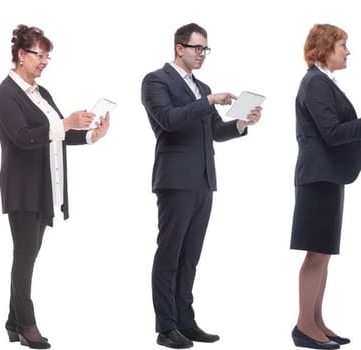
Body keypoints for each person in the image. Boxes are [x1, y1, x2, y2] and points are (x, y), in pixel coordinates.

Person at [140, 22, 262, 349]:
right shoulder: (156, 80)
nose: (202, 54)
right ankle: (166, 327)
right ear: (179, 48)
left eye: (206, 49)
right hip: (175, 180)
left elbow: (216, 133)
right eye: (197, 48)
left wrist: (241, 123)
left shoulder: (201, 86)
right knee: (170, 253)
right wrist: (208, 100)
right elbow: (169, 119)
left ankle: (185, 321)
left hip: (204, 180)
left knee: (190, 256)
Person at [0, 24, 111, 350]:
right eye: (39, 54)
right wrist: (65, 123)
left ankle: (12, 322)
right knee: (25, 255)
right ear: (21, 55)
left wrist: (89, 134)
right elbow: (22, 137)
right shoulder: (5, 94)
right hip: (22, 187)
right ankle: (27, 324)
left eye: (47, 56)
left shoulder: (41, 93)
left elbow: (59, 132)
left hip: (42, 186)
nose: (44, 61)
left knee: (27, 254)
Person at [289, 23, 361, 350]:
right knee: (316, 254)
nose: (347, 51)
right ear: (324, 47)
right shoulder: (315, 83)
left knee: (324, 253)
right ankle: (304, 326)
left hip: (327, 178)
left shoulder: (323, 82)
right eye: (342, 45)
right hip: (317, 179)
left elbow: (333, 130)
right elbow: (331, 132)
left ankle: (316, 321)